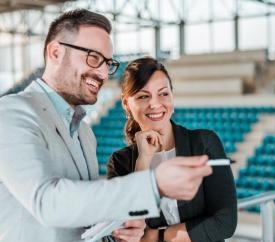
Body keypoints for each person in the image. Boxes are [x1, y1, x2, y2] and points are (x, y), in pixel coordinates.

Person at [0, 9, 213, 242]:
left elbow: (79, 220)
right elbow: (47, 202)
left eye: (107, 63)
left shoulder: (84, 132)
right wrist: (152, 185)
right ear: (55, 52)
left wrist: (112, 233)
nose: (103, 73)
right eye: (93, 57)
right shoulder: (12, 112)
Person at [107, 57, 237, 242]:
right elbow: (129, 232)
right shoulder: (120, 162)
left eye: (163, 93)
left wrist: (158, 235)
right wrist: (143, 161)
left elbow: (225, 223)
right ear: (126, 103)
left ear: (172, 96)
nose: (155, 104)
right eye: (143, 96)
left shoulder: (204, 143)